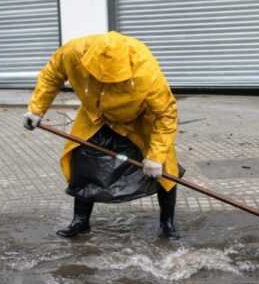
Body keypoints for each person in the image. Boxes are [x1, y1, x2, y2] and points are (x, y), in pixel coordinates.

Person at [23, 31, 182, 240]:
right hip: (95, 116)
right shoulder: (73, 53)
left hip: (139, 119)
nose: (106, 84)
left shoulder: (145, 71)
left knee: (166, 171)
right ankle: (80, 221)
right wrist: (36, 109)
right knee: (82, 163)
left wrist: (155, 156)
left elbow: (166, 114)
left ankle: (167, 223)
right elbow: (51, 75)